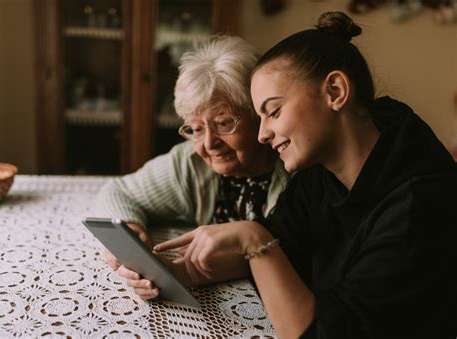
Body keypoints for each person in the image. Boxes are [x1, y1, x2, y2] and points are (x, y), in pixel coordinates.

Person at [154, 12, 457, 339]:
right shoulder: (320, 172)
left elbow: (320, 332)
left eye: (273, 112)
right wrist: (172, 273)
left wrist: (254, 239)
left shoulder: (419, 204)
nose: (262, 135)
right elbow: (281, 244)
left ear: (336, 91)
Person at [95, 36, 289, 300]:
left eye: (223, 123)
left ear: (258, 115)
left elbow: (284, 249)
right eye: (196, 129)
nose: (209, 144)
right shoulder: (190, 163)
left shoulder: (293, 170)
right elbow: (118, 191)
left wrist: (179, 272)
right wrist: (131, 230)